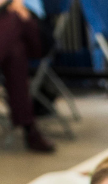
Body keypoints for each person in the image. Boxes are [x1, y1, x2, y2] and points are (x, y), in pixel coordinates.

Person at [0, 0, 54, 152]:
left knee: (13, 17)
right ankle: (30, 130)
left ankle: (30, 130)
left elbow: (23, 9)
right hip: (9, 41)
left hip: (34, 30)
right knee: (15, 53)